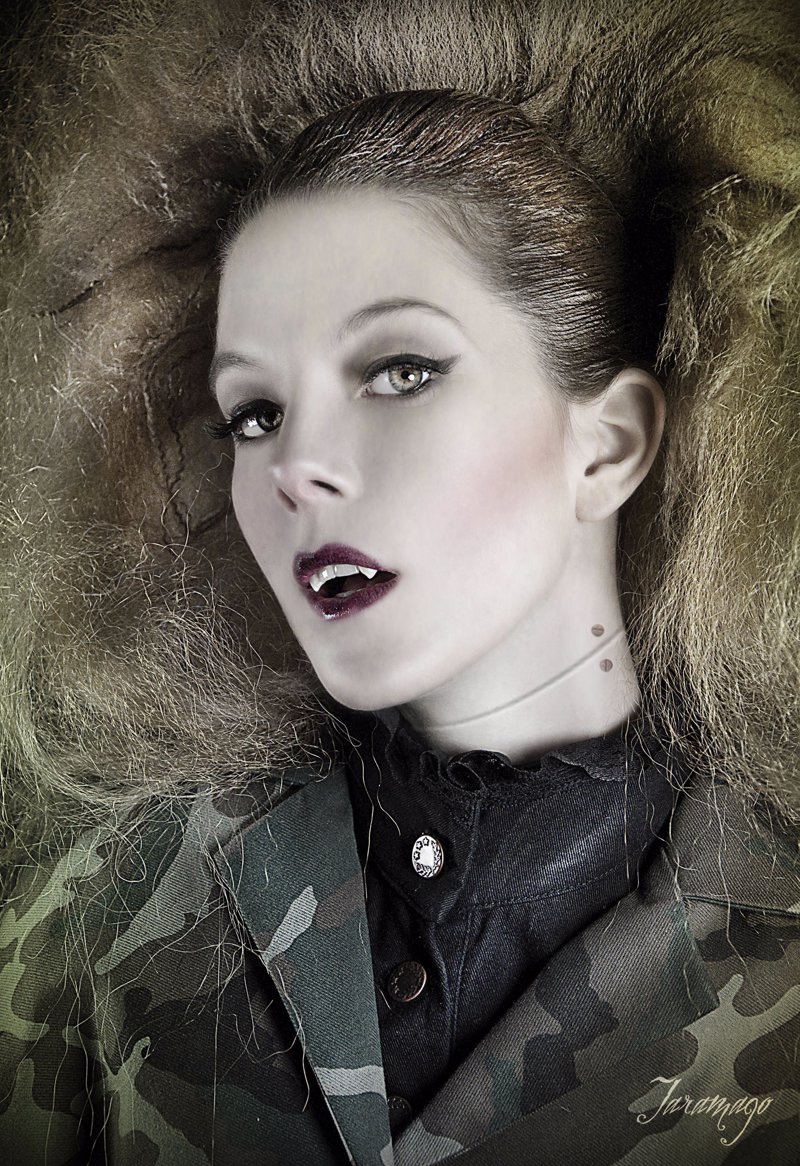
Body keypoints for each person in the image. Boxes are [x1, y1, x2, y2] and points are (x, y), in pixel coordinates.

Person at [1, 6, 798, 1166]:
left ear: (608, 442)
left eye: (397, 369)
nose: (297, 465)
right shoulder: (99, 925)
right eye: (255, 411)